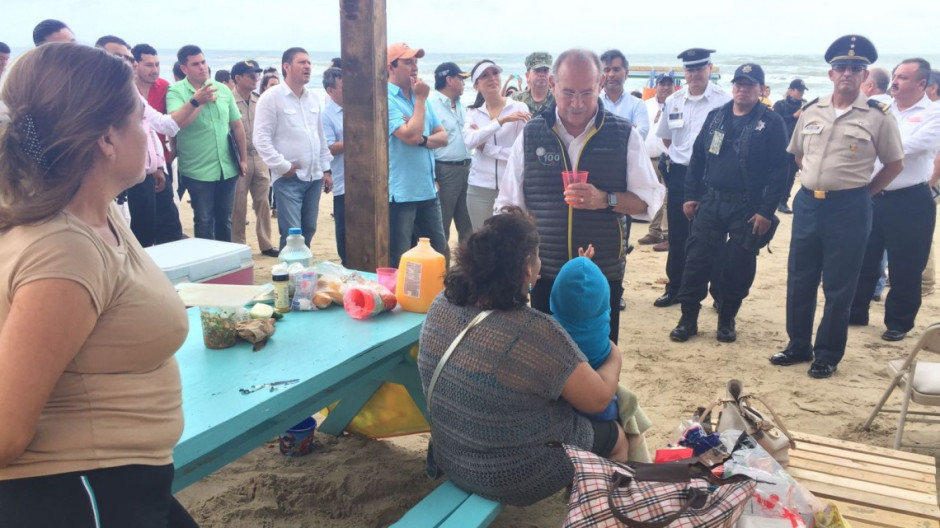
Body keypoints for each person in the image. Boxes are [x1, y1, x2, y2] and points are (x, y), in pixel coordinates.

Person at [0, 42, 197, 527]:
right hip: (82, 493)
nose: (148, 129)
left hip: (123, 481)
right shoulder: (63, 249)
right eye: (140, 117)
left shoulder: (96, 213)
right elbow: (5, 432)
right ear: (107, 139)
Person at [417, 208, 627, 506]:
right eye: (537, 258)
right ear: (528, 269)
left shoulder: (442, 304)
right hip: (514, 477)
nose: (541, 267)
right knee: (617, 437)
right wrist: (614, 354)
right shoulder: (534, 332)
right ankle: (597, 512)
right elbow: (599, 399)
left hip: (449, 455)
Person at [495, 49, 664, 343]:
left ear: (600, 84)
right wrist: (519, 257)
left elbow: (649, 201)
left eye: (587, 93)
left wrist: (605, 199)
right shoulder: (531, 134)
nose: (577, 103)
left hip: (602, 272)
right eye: (568, 92)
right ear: (552, 84)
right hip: (546, 270)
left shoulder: (623, 134)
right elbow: (508, 205)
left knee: (599, 353)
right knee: (547, 355)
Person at [770, 35, 904, 379]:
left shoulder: (878, 116)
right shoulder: (812, 110)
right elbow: (798, 154)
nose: (847, 73)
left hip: (849, 208)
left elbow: (894, 164)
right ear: (831, 74)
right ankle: (798, 344)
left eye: (855, 69)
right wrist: (815, 179)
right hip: (808, 204)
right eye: (841, 67)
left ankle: (827, 354)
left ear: (865, 76)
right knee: (800, 277)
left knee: (839, 285)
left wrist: (863, 193)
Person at [669, 63, 789, 343]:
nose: (743, 89)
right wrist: (690, 195)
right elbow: (698, 158)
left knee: (738, 265)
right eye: (739, 84)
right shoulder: (716, 117)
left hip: (748, 206)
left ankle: (726, 318)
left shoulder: (772, 123)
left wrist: (766, 211)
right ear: (733, 87)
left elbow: (780, 171)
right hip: (711, 201)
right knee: (696, 260)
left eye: (750, 84)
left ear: (761, 89)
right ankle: (688, 319)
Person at [849, 58, 940, 341]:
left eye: (903, 77)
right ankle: (856, 312)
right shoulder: (880, 106)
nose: (895, 82)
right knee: (863, 257)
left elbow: (909, 147)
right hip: (873, 194)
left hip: (910, 199)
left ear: (922, 83)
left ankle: (898, 322)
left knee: (906, 265)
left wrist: (868, 145)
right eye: (895, 75)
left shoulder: (934, 112)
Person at [654, 49, 731, 308]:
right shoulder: (674, 101)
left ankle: (719, 294)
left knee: (715, 236)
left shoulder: (724, 101)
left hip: (712, 176)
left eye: (699, 68)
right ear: (684, 72)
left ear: (709, 68)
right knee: (678, 235)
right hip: (680, 174)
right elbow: (666, 138)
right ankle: (675, 288)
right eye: (690, 69)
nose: (694, 74)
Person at [253, 47, 333, 250]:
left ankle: (302, 268)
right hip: (289, 179)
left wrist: (326, 169)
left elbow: (320, 135)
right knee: (292, 234)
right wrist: (282, 166)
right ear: (286, 67)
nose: (308, 67)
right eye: (302, 62)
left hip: (314, 178)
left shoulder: (312, 98)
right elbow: (260, 139)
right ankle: (290, 268)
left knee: (309, 229)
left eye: (309, 62)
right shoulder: (271, 98)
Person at [167, 44, 248, 242]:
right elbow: (178, 124)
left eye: (203, 62)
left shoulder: (222, 89)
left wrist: (243, 159)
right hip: (197, 169)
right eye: (195, 64)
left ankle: (225, 257)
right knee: (203, 219)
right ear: (184, 68)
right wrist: (198, 102)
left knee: (225, 219)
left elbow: (237, 126)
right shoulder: (175, 91)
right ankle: (207, 258)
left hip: (226, 167)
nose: (202, 67)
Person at [385, 42, 449, 267]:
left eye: (415, 62)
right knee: (401, 258)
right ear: (390, 67)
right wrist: (420, 101)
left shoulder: (419, 97)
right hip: (401, 193)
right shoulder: (387, 98)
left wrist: (422, 139)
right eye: (407, 62)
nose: (415, 67)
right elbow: (409, 136)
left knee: (438, 251)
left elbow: (443, 137)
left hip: (427, 190)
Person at [463, 59, 529, 231]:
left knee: (511, 241)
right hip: (479, 187)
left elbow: (522, 153)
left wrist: (487, 148)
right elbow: (469, 141)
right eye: (485, 75)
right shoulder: (473, 112)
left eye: (495, 73)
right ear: (476, 86)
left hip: (511, 187)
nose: (492, 78)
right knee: (481, 240)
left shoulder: (519, 108)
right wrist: (500, 121)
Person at [132, 43, 187, 245]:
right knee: (141, 228)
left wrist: (161, 163)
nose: (154, 70)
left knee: (169, 223)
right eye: (149, 65)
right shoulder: (123, 92)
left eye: (157, 64)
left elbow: (158, 128)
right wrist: (195, 103)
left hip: (159, 163)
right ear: (135, 65)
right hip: (132, 170)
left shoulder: (163, 87)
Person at [230, 59, 278, 257]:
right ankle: (238, 244)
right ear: (238, 78)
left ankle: (266, 244)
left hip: (259, 157)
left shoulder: (259, 101)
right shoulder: (229, 100)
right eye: (251, 75)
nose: (256, 79)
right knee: (238, 204)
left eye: (257, 75)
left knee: (263, 202)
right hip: (237, 158)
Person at [428, 62, 473, 247]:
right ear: (449, 80)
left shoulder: (463, 106)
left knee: (468, 227)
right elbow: (425, 144)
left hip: (467, 168)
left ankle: (466, 265)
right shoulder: (430, 105)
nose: (464, 83)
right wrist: (432, 177)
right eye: (460, 79)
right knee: (441, 227)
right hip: (444, 171)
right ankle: (441, 265)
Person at [638, 72, 674, 248]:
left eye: (669, 84)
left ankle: (667, 234)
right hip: (648, 158)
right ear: (656, 86)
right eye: (662, 84)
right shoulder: (645, 105)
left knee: (667, 198)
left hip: (668, 159)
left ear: (674, 87)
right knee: (652, 196)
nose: (665, 87)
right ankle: (654, 231)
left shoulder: (677, 104)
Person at [322, 67, 347, 265]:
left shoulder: (358, 109)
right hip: (342, 179)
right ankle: (346, 262)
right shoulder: (326, 116)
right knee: (344, 226)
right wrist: (357, 139)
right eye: (343, 87)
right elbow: (329, 147)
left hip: (366, 179)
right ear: (330, 91)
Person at [773, 79, 808, 214]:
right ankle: (771, 199)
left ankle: (783, 202)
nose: (801, 93)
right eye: (799, 90)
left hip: (797, 145)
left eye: (803, 91)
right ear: (791, 90)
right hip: (780, 144)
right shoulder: (780, 105)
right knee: (776, 174)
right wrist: (794, 116)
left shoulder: (806, 106)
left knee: (790, 175)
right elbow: (776, 122)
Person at [599, 49, 650, 139]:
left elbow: (641, 134)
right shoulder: (593, 103)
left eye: (616, 69)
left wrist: (603, 132)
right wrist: (628, 128)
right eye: (607, 70)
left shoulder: (638, 104)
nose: (611, 74)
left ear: (626, 73)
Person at [512, 51, 554, 116]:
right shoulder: (516, 99)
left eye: (545, 70)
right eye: (537, 70)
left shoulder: (558, 100)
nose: (542, 74)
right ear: (527, 75)